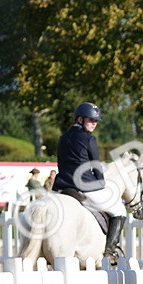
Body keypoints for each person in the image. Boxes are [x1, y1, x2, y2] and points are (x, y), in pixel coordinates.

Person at [54, 102, 127, 261]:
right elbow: (96, 166)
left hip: (61, 187)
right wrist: (100, 182)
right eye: (91, 120)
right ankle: (109, 251)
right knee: (120, 210)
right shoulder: (88, 139)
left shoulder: (62, 138)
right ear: (80, 119)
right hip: (85, 187)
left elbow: (61, 162)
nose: (94, 123)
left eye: (96, 121)